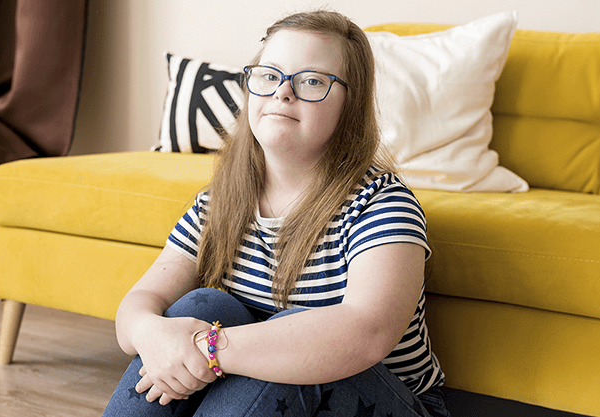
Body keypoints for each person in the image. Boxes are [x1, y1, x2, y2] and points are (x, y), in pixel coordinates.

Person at [105, 10, 447, 417]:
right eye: (269, 75)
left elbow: (365, 334)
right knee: (202, 307)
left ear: (349, 106)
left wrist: (211, 350)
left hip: (386, 404)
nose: (283, 92)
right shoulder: (219, 203)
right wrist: (153, 334)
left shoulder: (382, 204)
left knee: (292, 342)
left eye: (312, 82)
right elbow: (137, 306)